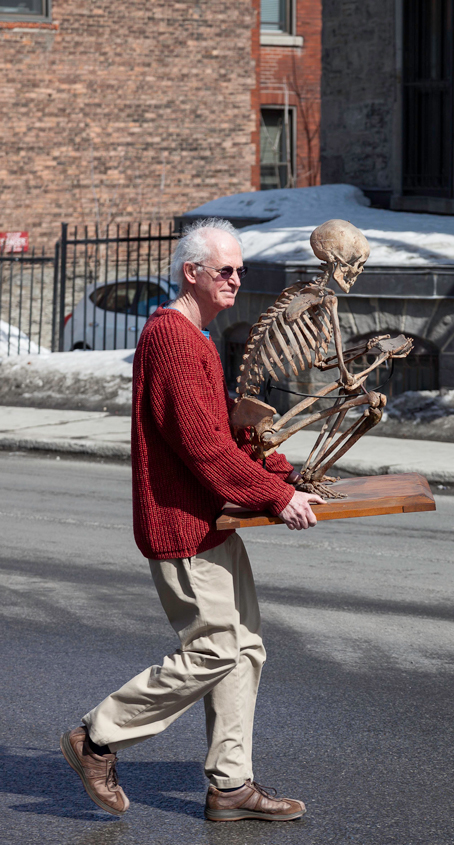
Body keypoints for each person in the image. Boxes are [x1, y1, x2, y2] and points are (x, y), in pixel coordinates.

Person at [60, 218, 324, 822]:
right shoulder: (174, 339)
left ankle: (231, 787)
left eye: (240, 270)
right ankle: (97, 737)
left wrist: (280, 473)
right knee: (213, 649)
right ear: (192, 274)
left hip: (215, 522)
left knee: (245, 647)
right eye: (225, 271)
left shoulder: (197, 338)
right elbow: (201, 446)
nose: (236, 279)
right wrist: (275, 498)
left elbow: (223, 434)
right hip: (182, 525)